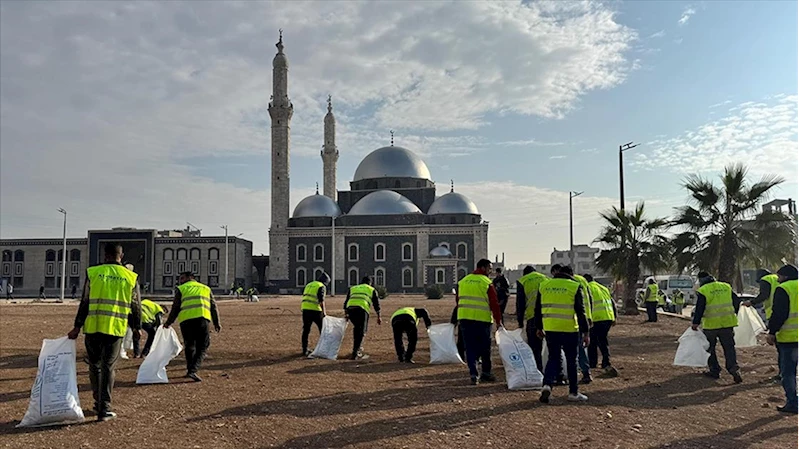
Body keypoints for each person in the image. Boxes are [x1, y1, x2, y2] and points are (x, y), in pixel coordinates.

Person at [67, 242, 141, 422]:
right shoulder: (130, 277)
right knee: (109, 366)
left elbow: (84, 302)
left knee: (95, 366)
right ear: (121, 256)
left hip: (92, 327)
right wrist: (137, 327)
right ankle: (104, 408)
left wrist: (77, 326)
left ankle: (97, 402)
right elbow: (135, 305)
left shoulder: (93, 273)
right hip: (115, 328)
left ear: (105, 255)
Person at [535, 264, 590, 403]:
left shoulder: (544, 286)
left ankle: (547, 385)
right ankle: (573, 392)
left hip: (551, 328)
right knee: (572, 360)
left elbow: (537, 309)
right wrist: (586, 332)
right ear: (571, 274)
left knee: (553, 358)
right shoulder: (574, 286)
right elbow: (580, 311)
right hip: (570, 328)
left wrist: (538, 327)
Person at [164, 271, 221, 382]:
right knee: (203, 346)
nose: (180, 281)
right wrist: (216, 322)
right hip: (202, 319)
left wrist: (168, 322)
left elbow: (175, 307)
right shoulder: (205, 288)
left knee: (189, 345)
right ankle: (193, 370)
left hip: (186, 321)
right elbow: (213, 306)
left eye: (182, 278)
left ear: (190, 277)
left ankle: (190, 369)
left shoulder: (181, 289)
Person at [456, 259, 503, 385]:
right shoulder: (486, 282)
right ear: (483, 268)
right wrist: (498, 321)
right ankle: (486, 373)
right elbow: (494, 303)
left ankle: (473, 373)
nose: (491, 271)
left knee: (470, 347)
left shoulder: (463, 281)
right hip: (482, 320)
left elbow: (458, 300)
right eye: (489, 268)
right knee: (485, 348)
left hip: (465, 319)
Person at [691, 271, 742, 383]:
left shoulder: (703, 291)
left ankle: (714, 370)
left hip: (711, 325)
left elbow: (700, 308)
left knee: (710, 348)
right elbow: (737, 301)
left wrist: (695, 323)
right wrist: (734, 313)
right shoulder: (726, 287)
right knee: (729, 348)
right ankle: (733, 369)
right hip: (727, 324)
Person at [765, 264, 799, 414]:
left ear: (784, 276)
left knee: (789, 372)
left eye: (779, 277)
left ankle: (792, 403)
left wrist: (772, 332)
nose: (777, 280)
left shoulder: (784, 288)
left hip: (790, 338)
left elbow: (779, 313)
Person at [743, 268, 781, 383]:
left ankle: (783, 374)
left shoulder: (765, 280)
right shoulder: (776, 278)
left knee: (781, 347)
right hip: (786, 312)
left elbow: (764, 295)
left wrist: (752, 302)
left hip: (774, 312)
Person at [516, 265, 549, 370]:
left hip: (533, 317)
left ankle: (538, 370)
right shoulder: (546, 278)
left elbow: (520, 304)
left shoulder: (523, 281)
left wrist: (520, 321)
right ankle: (556, 372)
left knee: (535, 346)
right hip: (548, 316)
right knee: (552, 346)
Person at [585, 275, 618, 376]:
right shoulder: (603, 288)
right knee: (602, 340)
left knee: (593, 341)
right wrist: (614, 317)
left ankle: (593, 362)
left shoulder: (588, 288)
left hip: (596, 318)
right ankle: (605, 361)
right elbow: (613, 302)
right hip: (607, 317)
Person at [344, 276, 381, 360]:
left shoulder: (353, 288)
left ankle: (355, 350)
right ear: (370, 283)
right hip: (362, 309)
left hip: (351, 309)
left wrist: (346, 314)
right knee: (361, 331)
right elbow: (376, 304)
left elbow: (346, 302)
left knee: (357, 328)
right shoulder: (371, 289)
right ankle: (356, 353)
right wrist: (379, 316)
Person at [301, 272, 329, 356]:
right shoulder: (321, 286)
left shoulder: (309, 284)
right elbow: (321, 300)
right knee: (322, 329)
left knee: (306, 330)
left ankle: (304, 349)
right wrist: (324, 312)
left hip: (305, 309)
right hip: (316, 310)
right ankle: (323, 349)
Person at [573, 273, 594, 384]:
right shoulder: (583, 281)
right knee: (580, 347)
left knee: (573, 349)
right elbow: (589, 300)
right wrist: (589, 317)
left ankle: (569, 374)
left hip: (572, 321)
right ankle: (586, 372)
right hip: (585, 318)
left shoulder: (570, 282)